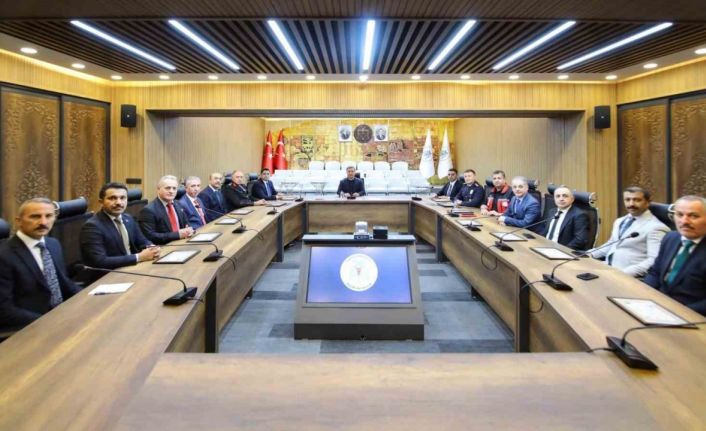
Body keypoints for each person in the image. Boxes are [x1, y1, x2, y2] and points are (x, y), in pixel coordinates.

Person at [0, 198, 80, 331]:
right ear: (18, 221)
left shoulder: (53, 244)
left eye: (48, 216)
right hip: (27, 327)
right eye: (35, 216)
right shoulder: (4, 255)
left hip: (61, 317)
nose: (43, 222)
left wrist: (89, 298)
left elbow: (64, 283)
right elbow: (4, 310)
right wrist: (50, 321)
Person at [644, 195, 706, 314]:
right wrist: (645, 294)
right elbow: (655, 272)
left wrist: (678, 312)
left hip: (692, 315)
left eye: (693, 216)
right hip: (657, 306)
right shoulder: (670, 238)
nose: (684, 221)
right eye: (680, 215)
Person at [80, 182, 160, 270]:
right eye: (112, 198)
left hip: (132, 267)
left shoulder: (128, 218)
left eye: (122, 198)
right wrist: (139, 257)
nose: (118, 202)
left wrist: (152, 248)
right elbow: (100, 261)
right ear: (101, 202)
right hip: (110, 273)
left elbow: (142, 241)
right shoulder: (92, 226)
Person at [592, 187, 669, 277]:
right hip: (609, 269)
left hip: (630, 276)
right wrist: (587, 254)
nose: (631, 204)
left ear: (648, 202)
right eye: (627, 200)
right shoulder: (620, 221)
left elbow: (654, 260)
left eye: (637, 200)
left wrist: (622, 274)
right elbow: (612, 244)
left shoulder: (656, 227)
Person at [138, 175, 193, 245]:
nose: (171, 191)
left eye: (174, 188)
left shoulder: (178, 204)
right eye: (168, 188)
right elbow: (150, 236)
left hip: (182, 243)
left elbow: (186, 223)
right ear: (158, 189)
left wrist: (188, 230)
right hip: (164, 246)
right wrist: (177, 235)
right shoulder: (148, 210)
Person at [541, 186, 590, 251]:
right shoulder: (552, 211)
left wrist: (562, 250)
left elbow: (580, 239)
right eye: (558, 196)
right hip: (545, 246)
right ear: (554, 199)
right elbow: (545, 231)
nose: (561, 199)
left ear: (572, 199)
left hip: (562, 250)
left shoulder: (579, 215)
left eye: (565, 196)